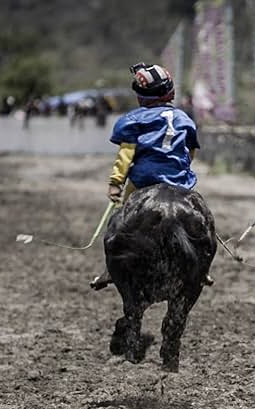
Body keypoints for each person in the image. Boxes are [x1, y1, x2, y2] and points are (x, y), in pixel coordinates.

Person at [90, 62, 202, 291]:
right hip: (180, 184)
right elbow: (190, 152)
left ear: (140, 95)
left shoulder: (133, 120)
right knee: (199, 220)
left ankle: (109, 269)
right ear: (170, 90)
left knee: (118, 224)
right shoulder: (184, 118)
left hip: (142, 184)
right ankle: (201, 268)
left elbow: (126, 155)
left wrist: (115, 183)